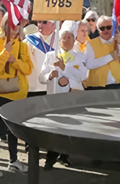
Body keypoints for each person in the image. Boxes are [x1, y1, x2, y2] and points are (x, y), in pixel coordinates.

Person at [0, 17, 33, 177]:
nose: (14, 29)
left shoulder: (23, 45)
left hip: (18, 94)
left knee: (14, 130)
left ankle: (13, 161)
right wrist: (5, 52)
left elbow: (28, 68)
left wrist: (15, 61)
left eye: (17, 26)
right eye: (11, 26)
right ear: (5, 26)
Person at [38, 22, 88, 168]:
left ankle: (65, 155)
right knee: (54, 127)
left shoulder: (79, 56)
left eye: (70, 37)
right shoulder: (51, 55)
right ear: (59, 40)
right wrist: (50, 76)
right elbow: (41, 77)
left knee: (69, 126)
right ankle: (50, 157)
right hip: (54, 98)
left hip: (72, 96)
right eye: (64, 37)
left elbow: (81, 75)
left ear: (74, 40)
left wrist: (64, 69)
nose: (67, 40)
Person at [85, 15, 120, 90]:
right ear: (98, 29)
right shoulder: (90, 44)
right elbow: (89, 64)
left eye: (108, 27)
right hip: (97, 87)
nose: (106, 30)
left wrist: (119, 43)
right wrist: (110, 57)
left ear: (112, 27)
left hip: (117, 86)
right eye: (102, 28)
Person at [25, 20, 58, 98]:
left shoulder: (61, 39)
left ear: (53, 24)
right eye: (39, 22)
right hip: (34, 88)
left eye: (44, 22)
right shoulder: (30, 40)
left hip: (55, 87)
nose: (40, 25)